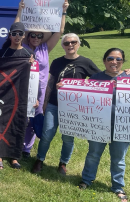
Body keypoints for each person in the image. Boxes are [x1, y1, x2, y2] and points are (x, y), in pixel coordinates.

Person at [31, 33, 101, 174]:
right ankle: (39, 160)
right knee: (47, 134)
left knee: (68, 138)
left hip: (73, 108)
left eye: (73, 42)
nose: (70, 45)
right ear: (63, 45)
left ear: (78, 44)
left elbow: (99, 80)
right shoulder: (57, 62)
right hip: (54, 104)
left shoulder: (85, 62)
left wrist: (83, 84)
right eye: (67, 43)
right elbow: (50, 83)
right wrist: (45, 104)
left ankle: (63, 163)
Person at [14, 0, 69, 158]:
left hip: (40, 90)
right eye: (33, 35)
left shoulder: (46, 48)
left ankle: (27, 149)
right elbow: (16, 28)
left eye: (39, 35)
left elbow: (59, 31)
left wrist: (63, 11)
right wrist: (20, 11)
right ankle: (16, 146)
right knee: (20, 117)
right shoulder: (22, 46)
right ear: (28, 36)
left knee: (34, 118)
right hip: (22, 87)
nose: (36, 37)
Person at [78, 48, 129, 202]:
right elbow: (82, 97)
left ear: (123, 62)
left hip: (122, 126)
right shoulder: (95, 78)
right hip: (98, 125)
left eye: (118, 59)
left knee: (119, 158)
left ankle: (118, 186)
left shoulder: (128, 78)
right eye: (110, 58)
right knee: (93, 154)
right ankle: (86, 180)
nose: (114, 62)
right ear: (104, 61)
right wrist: (64, 88)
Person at [0, 21, 35, 170]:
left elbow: (33, 78)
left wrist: (33, 97)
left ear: (24, 36)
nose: (17, 36)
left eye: (20, 34)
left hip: (21, 95)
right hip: (4, 94)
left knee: (17, 124)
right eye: (14, 34)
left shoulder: (29, 54)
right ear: (10, 35)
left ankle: (13, 156)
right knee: (0, 123)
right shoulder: (2, 52)